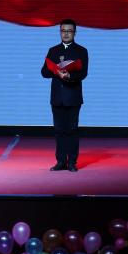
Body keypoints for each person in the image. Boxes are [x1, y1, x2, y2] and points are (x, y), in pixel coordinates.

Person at [40, 19, 88, 172]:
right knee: (59, 130)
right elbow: (44, 72)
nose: (66, 34)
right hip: (57, 97)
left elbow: (83, 73)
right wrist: (56, 71)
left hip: (73, 96)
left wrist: (70, 76)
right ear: (60, 32)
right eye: (63, 31)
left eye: (69, 31)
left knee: (72, 130)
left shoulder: (81, 51)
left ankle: (72, 162)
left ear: (74, 32)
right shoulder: (53, 50)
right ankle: (61, 161)